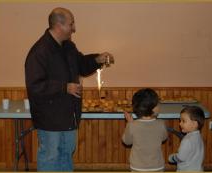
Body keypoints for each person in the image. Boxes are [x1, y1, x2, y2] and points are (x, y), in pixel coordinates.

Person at [25, 7, 114, 171]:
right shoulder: (40, 51)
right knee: (50, 157)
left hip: (69, 116)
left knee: (66, 155)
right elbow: (35, 85)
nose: (74, 28)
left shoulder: (68, 47)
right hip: (49, 119)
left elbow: (81, 65)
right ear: (59, 26)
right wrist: (64, 87)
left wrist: (97, 59)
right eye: (71, 24)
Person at [122, 88, 168, 172]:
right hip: (157, 167)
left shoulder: (132, 125)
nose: (159, 106)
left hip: (137, 167)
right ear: (152, 108)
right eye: (158, 104)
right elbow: (164, 137)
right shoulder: (161, 124)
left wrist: (129, 123)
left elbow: (126, 141)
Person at [168, 106, 205, 171]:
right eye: (180, 121)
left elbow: (181, 157)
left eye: (183, 121)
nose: (180, 124)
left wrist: (172, 158)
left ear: (194, 124)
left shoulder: (187, 140)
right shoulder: (198, 136)